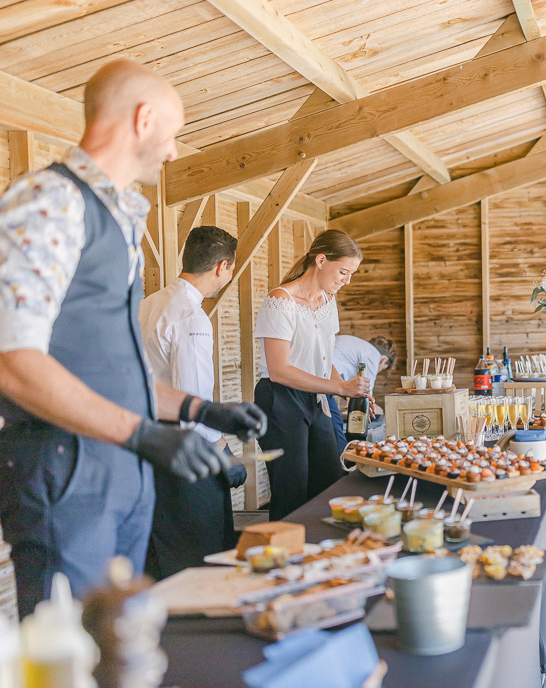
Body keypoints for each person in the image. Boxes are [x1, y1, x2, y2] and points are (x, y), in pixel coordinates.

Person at [0, 60, 266, 617]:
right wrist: (143, 434)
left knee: (124, 644)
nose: (173, 152)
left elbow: (116, 372)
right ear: (144, 119)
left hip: (122, 471)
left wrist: (203, 409)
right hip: (67, 473)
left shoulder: (120, 220)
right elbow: (12, 360)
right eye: (173, 133)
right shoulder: (49, 202)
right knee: (68, 659)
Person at [139, 225, 249, 578]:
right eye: (231, 269)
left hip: (143, 439)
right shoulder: (192, 318)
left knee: (158, 544)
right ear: (221, 267)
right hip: (182, 445)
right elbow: (194, 400)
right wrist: (223, 451)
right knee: (199, 548)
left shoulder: (147, 305)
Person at [254, 229, 369, 520]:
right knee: (291, 490)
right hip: (279, 398)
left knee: (329, 481)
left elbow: (323, 359)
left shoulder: (328, 302)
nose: (347, 281)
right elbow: (279, 370)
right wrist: (339, 389)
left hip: (316, 399)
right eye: (343, 271)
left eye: (351, 274)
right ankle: (284, 558)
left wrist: (344, 386)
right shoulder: (280, 300)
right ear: (320, 260)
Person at [329, 335, 396, 454]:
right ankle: (342, 464)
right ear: (384, 360)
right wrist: (377, 408)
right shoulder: (373, 355)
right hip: (323, 380)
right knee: (336, 429)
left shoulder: (357, 346)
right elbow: (366, 393)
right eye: (381, 369)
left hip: (321, 379)